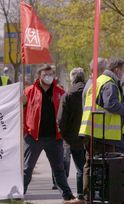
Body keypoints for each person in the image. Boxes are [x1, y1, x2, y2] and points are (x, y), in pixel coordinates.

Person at [23, 64, 80, 204]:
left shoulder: (60, 92)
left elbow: (66, 114)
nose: (49, 77)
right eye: (45, 74)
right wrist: (25, 131)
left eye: (51, 74)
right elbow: (22, 111)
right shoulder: (29, 91)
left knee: (59, 169)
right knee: (27, 168)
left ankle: (67, 196)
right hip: (33, 137)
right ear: (39, 76)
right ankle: (19, 193)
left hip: (54, 138)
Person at [79, 58, 124, 202]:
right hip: (101, 133)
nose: (123, 73)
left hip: (92, 130)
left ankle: (88, 197)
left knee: (90, 165)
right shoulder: (109, 83)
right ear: (117, 69)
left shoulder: (98, 81)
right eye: (122, 70)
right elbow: (112, 105)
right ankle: (99, 196)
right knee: (104, 167)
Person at [57, 67, 86, 201]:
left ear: (72, 78)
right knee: (87, 167)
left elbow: (61, 120)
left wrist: (65, 137)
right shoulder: (90, 92)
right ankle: (87, 193)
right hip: (91, 136)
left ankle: (75, 194)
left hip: (73, 138)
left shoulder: (68, 95)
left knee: (75, 167)